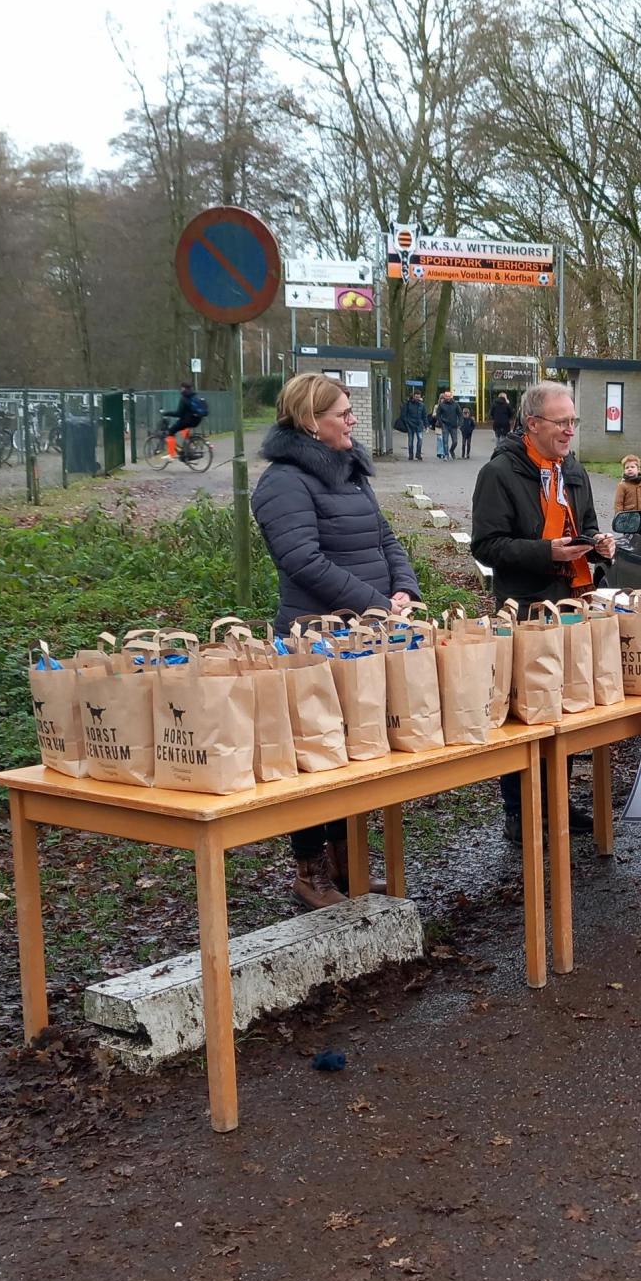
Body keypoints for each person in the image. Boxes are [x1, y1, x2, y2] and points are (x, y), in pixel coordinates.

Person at [251, 372, 421, 908]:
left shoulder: (349, 470)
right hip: (313, 642)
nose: (353, 421)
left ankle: (350, 866)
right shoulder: (283, 482)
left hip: (362, 638)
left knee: (354, 748)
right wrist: (375, 602)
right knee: (313, 755)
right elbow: (302, 560)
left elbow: (384, 536)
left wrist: (403, 588)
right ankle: (311, 871)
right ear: (310, 421)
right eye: (343, 413)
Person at [470, 380, 616, 842]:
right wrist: (545, 552)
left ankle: (556, 801)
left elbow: (585, 525)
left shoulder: (573, 469)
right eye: (561, 422)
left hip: (572, 603)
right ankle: (519, 812)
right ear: (532, 424)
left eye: (573, 421)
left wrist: (598, 545)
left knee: (565, 704)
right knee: (526, 711)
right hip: (526, 609)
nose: (570, 430)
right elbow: (486, 546)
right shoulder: (499, 473)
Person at [164, 382, 206, 457]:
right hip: (197, 420)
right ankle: (187, 449)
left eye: (181, 388)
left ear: (183, 388)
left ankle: (171, 454)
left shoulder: (184, 398)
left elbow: (178, 413)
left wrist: (166, 413)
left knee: (171, 431)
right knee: (184, 430)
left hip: (187, 421)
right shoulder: (195, 396)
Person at [399, 388, 427, 460]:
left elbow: (424, 416)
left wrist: (426, 425)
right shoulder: (408, 404)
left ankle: (418, 454)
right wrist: (406, 422)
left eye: (418, 397)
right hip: (410, 424)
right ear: (413, 396)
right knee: (410, 441)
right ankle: (410, 455)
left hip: (419, 425)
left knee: (420, 440)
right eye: (416, 397)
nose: (417, 398)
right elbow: (403, 414)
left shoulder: (422, 405)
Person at [434, 390, 460, 460]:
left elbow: (460, 414)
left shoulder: (455, 404)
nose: (448, 397)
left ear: (451, 396)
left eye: (449, 396)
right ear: (444, 396)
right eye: (446, 396)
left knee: (455, 442)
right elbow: (438, 415)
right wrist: (441, 423)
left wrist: (460, 423)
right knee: (445, 441)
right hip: (445, 425)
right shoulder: (441, 405)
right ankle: (446, 455)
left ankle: (451, 450)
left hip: (453, 425)